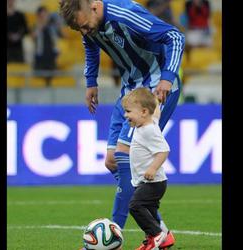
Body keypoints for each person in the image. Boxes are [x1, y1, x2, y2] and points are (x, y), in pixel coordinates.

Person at [59, 0, 184, 248]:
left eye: (84, 26)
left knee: (125, 155)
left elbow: (174, 36)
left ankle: (119, 236)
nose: (85, 33)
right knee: (113, 160)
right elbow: (90, 44)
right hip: (129, 90)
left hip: (154, 89)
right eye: (79, 30)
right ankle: (159, 231)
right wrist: (91, 81)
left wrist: (168, 77)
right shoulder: (90, 25)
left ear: (94, 7)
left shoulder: (125, 14)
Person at [122, 87, 171, 250]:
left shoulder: (148, 130)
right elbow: (155, 113)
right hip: (148, 182)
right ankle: (162, 240)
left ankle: (156, 235)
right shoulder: (149, 122)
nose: (125, 115)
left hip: (152, 182)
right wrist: (155, 100)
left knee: (135, 206)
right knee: (149, 211)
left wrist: (152, 168)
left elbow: (164, 150)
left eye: (128, 111)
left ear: (143, 112)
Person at [32, 6, 62, 87]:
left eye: (46, 15)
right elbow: (33, 36)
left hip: (51, 57)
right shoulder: (36, 26)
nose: (45, 17)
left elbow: (62, 36)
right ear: (39, 16)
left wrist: (58, 25)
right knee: (39, 81)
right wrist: (41, 24)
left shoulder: (52, 26)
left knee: (52, 80)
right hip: (40, 58)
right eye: (42, 16)